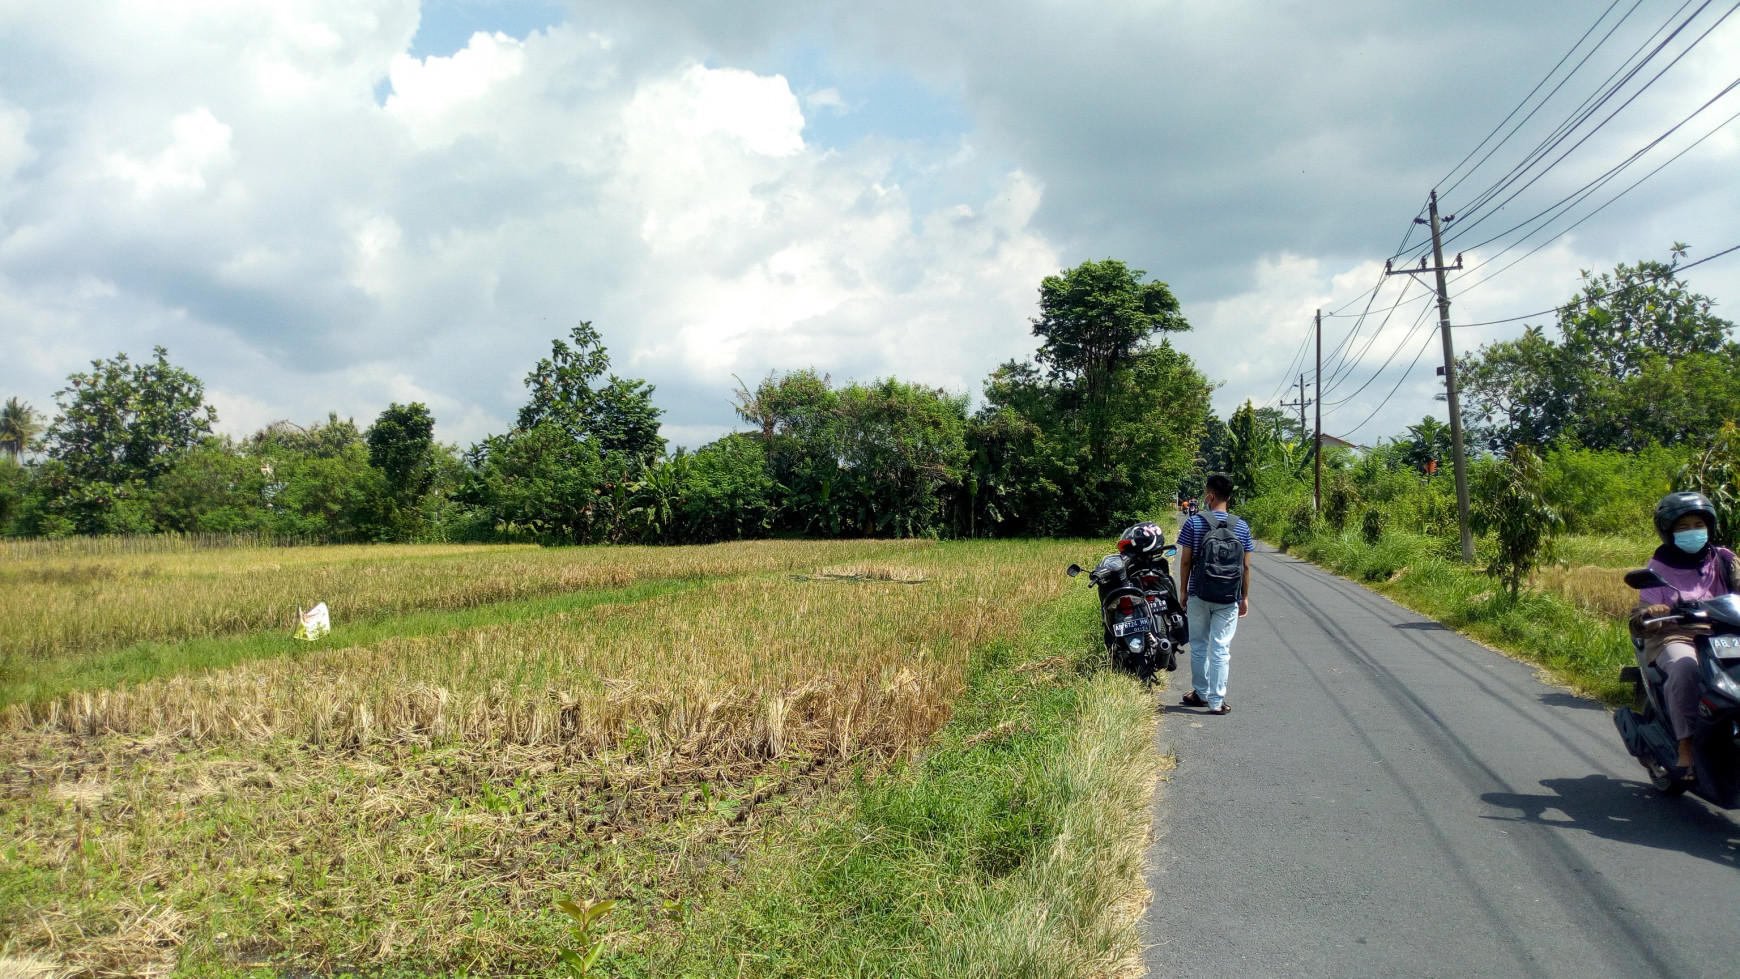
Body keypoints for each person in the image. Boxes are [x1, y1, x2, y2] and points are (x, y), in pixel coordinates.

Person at [1632, 491, 1738, 777]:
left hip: (1723, 636)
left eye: (1698, 524)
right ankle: (1685, 746)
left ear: (1710, 526)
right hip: (1676, 635)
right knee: (1686, 668)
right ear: (1668, 531)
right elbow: (1642, 614)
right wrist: (1653, 612)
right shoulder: (1658, 567)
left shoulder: (1724, 559)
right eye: (1683, 526)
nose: (1693, 531)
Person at [1175, 472, 1254, 714]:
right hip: (1228, 596)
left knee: (1199, 645)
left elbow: (1186, 561)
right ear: (1229, 496)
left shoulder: (1194, 522)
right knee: (1221, 648)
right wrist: (1244, 597)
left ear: (1209, 495)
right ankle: (1216, 701)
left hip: (1199, 593)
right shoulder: (1241, 526)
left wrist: (1183, 592)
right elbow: (1246, 566)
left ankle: (1200, 692)